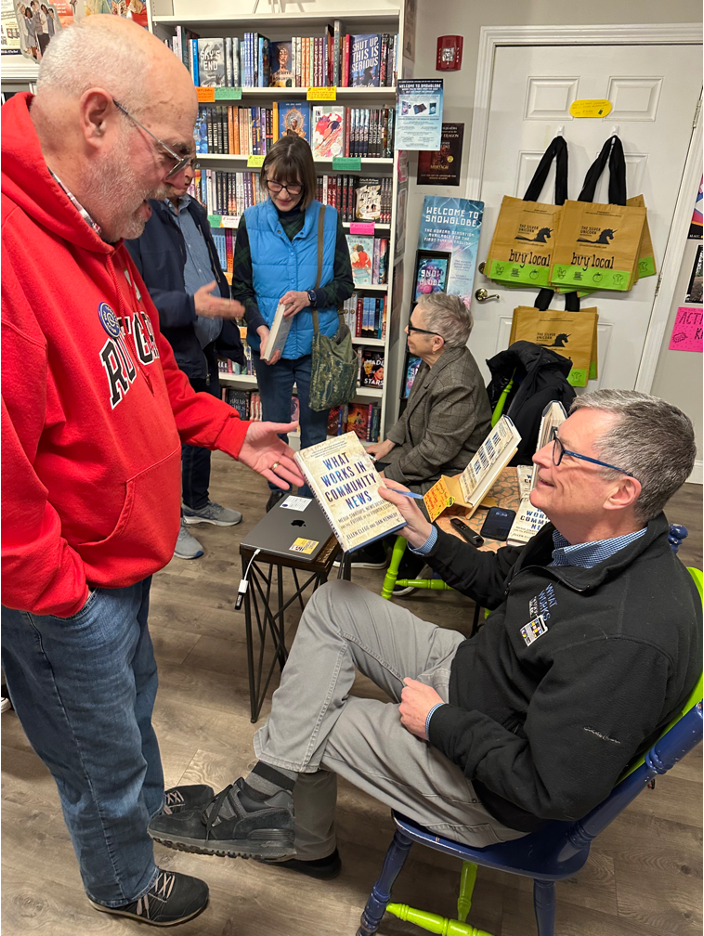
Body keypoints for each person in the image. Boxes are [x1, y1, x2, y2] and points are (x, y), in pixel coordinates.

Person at [1, 15, 305, 928]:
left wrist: (227, 432)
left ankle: (141, 812)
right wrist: (68, 598)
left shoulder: (95, 221)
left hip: (122, 565)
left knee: (131, 713)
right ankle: (122, 880)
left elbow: (147, 362)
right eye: (172, 155)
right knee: (98, 755)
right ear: (97, 117)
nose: (182, 184)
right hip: (72, 591)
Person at [149, 391, 701, 888]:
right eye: (552, 440)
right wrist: (429, 538)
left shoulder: (628, 638)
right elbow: (500, 580)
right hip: (478, 678)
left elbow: (550, 791)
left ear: (621, 491)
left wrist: (440, 721)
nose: (540, 457)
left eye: (563, 452)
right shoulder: (583, 538)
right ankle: (272, 803)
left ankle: (284, 824)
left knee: (309, 718)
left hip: (491, 790)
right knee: (336, 604)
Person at [126, 151, 246, 561]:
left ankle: (197, 503)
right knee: (170, 443)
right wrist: (191, 306)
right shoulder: (137, 218)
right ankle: (170, 524)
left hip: (204, 347)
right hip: (170, 352)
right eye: (182, 168)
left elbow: (209, 267)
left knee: (203, 433)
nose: (193, 176)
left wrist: (225, 315)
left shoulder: (194, 211)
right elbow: (133, 301)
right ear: (158, 168)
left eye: (193, 166)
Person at [230, 132, 355, 511]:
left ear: (308, 182)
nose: (282, 193)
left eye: (293, 185)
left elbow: (345, 284)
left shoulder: (328, 219)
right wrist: (260, 328)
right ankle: (281, 499)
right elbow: (242, 289)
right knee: (275, 426)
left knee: (315, 430)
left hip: (318, 346)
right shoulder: (251, 221)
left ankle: (314, 501)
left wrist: (310, 297)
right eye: (274, 183)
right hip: (271, 349)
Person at [361, 292, 492, 580]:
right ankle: (377, 546)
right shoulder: (435, 359)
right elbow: (412, 410)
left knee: (372, 485)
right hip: (427, 454)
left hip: (450, 475)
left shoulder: (456, 382)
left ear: (436, 341)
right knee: (365, 466)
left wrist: (387, 476)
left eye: (413, 328)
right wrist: (390, 441)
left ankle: (408, 557)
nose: (407, 331)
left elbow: (434, 453)